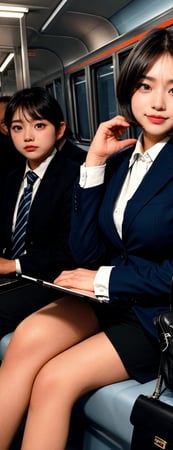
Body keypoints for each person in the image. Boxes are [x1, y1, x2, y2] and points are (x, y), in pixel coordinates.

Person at [0, 28, 173, 450]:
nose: (157, 103)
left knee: (55, 379)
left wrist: (100, 280)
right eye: (146, 86)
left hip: (158, 316)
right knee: (27, 338)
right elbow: (86, 250)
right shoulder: (119, 158)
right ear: (129, 89)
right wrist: (93, 166)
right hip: (110, 301)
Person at [0, 87, 86, 339]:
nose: (28, 136)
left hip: (50, 280)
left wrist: (12, 265)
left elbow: (70, 250)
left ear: (59, 130)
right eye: (18, 128)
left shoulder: (75, 176)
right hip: (14, 277)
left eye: (38, 126)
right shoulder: (12, 178)